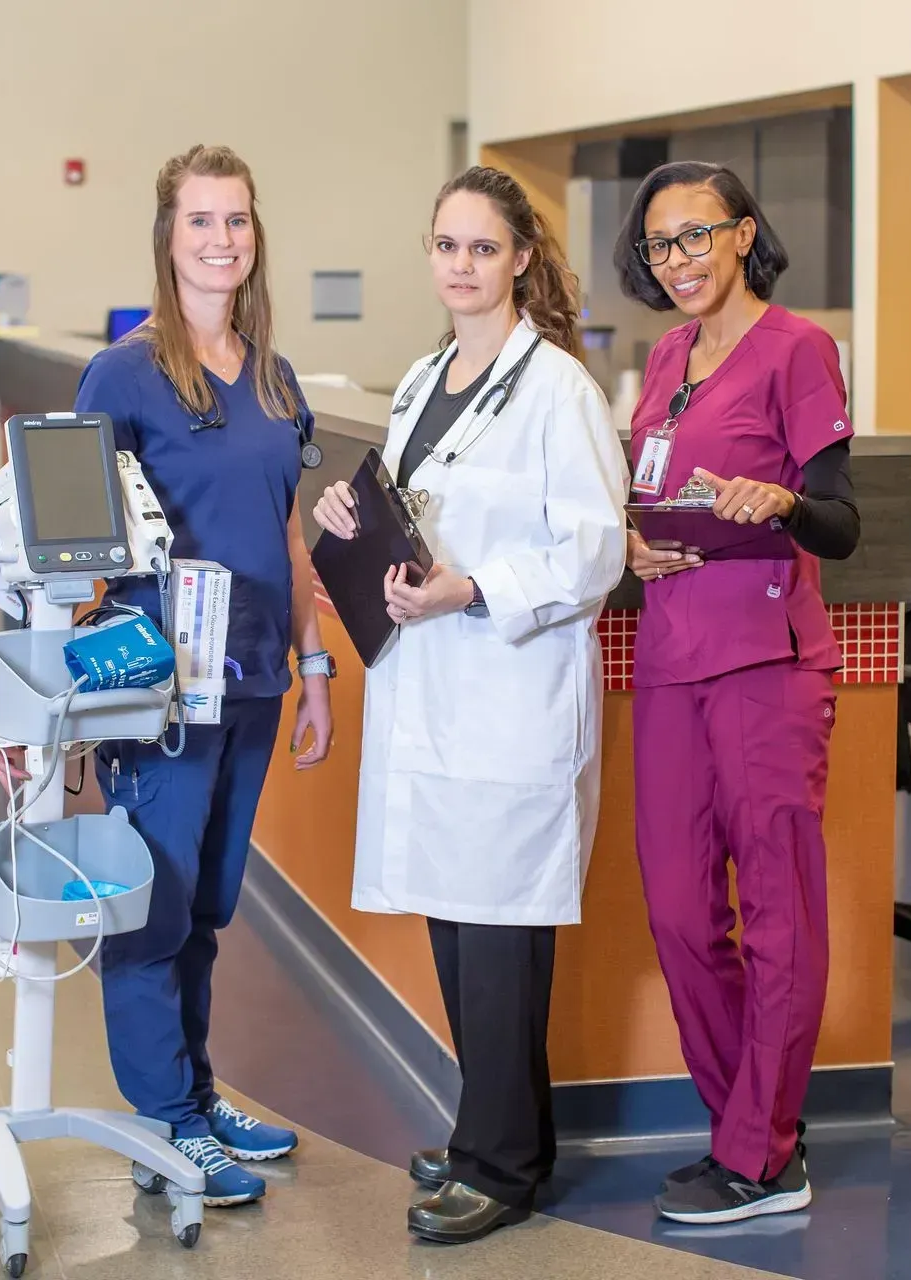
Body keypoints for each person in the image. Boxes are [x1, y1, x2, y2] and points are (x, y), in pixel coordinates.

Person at [313, 166, 626, 1245]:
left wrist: (474, 588)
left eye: (482, 248)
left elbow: (592, 548)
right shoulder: (421, 377)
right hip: (435, 688)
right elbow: (413, 498)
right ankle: (489, 1127)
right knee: (458, 929)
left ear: (522, 259)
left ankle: (505, 1164)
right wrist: (349, 507)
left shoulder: (560, 392)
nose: (460, 265)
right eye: (445, 246)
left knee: (499, 944)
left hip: (507, 693)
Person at [70, 143, 335, 1208]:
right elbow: (73, 547)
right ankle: (168, 1121)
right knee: (152, 904)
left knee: (212, 902)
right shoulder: (123, 375)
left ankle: (196, 1089)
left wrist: (313, 663)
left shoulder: (273, 374)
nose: (221, 239)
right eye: (200, 221)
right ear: (167, 236)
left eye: (236, 220)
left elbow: (288, 530)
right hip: (163, 684)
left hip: (257, 675)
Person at [611, 160, 860, 1225]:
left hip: (765, 658)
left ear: (745, 232)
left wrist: (782, 503)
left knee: (777, 912)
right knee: (675, 906)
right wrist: (626, 538)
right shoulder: (666, 355)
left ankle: (764, 1151)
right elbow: (647, 484)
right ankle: (740, 1129)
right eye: (662, 244)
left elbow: (843, 520)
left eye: (699, 235)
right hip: (671, 652)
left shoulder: (799, 349)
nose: (681, 260)